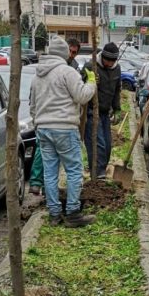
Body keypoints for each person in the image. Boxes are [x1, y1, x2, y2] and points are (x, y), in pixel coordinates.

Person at [30, 37, 97, 227]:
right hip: (65, 128)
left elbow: (33, 107)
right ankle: (73, 213)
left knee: (50, 173)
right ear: (65, 53)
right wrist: (91, 82)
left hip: (43, 129)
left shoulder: (37, 76)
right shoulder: (67, 72)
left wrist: (39, 123)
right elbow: (82, 96)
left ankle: (54, 214)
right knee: (74, 171)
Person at [84, 41, 121, 179]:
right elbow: (80, 87)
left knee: (107, 145)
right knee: (97, 144)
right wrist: (91, 81)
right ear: (103, 57)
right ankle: (97, 174)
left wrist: (117, 109)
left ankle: (101, 171)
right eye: (107, 60)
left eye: (112, 61)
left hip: (105, 113)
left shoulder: (117, 69)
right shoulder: (91, 66)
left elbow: (117, 90)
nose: (109, 64)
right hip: (92, 111)